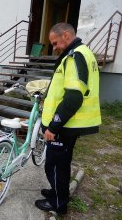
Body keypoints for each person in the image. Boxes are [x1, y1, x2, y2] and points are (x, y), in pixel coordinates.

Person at [35, 23, 101, 215]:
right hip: (70, 123)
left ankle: (58, 203)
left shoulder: (74, 56)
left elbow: (73, 97)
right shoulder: (83, 52)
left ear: (65, 35)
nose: (54, 47)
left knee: (55, 165)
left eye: (55, 43)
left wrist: (53, 126)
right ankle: (58, 192)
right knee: (61, 164)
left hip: (64, 125)